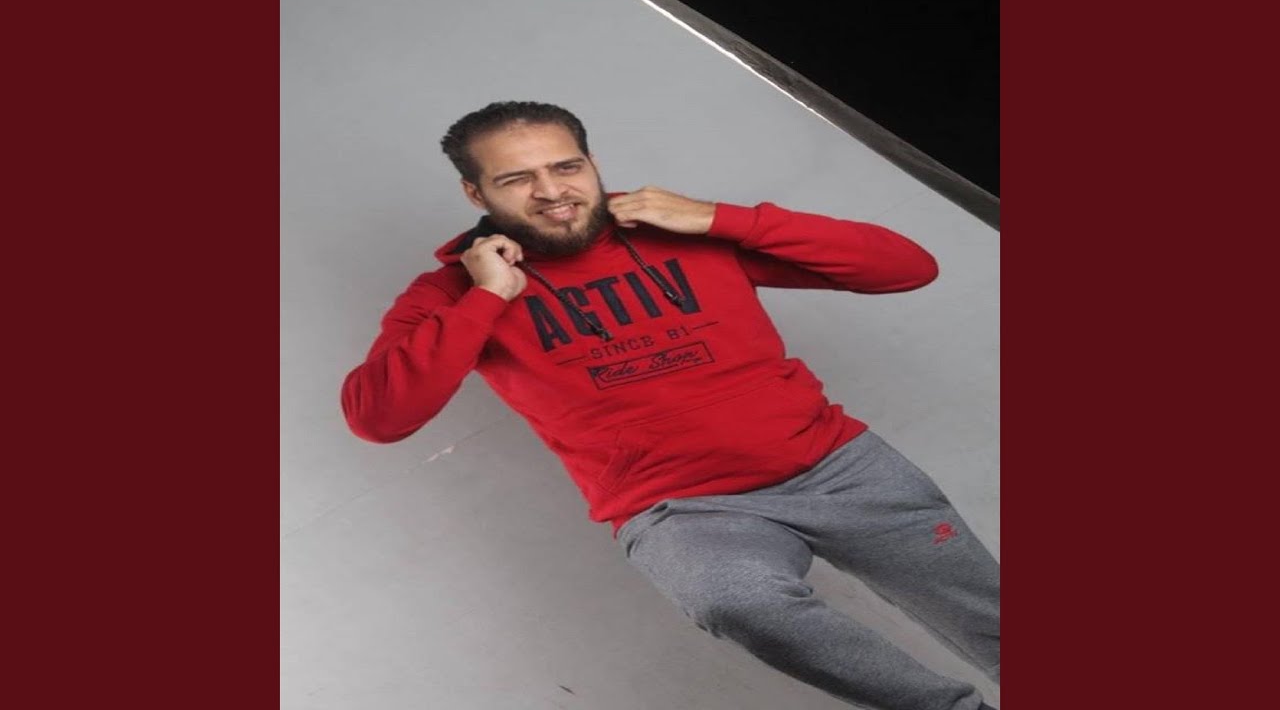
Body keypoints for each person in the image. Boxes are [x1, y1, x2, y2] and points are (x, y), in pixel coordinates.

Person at [340, 101, 999, 710]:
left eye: (566, 167)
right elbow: (378, 419)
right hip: (681, 511)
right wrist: (485, 297)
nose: (551, 191)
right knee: (737, 604)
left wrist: (721, 217)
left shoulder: (678, 228)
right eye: (516, 179)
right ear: (475, 193)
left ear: (592, 164)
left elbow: (906, 268)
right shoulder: (453, 292)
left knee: (996, 621)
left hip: (838, 468)